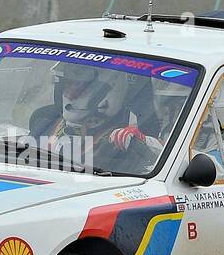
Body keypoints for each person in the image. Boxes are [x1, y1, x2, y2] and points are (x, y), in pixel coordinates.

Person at [28, 62, 162, 173]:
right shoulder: (45, 123)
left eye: (80, 86)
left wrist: (145, 144)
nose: (69, 94)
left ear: (111, 89)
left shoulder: (124, 142)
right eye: (66, 84)